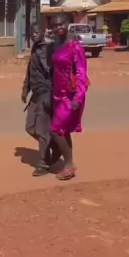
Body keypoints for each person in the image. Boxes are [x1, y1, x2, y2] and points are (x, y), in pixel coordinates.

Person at [50, 14, 89, 181]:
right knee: (62, 130)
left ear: (68, 24)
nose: (58, 28)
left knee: (55, 129)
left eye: (61, 24)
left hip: (70, 97)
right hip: (57, 95)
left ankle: (69, 164)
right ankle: (68, 163)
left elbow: (81, 74)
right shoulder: (57, 44)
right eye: (54, 25)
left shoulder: (75, 47)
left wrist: (77, 98)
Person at [21, 24, 60, 177]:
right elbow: (30, 70)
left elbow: (54, 73)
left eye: (37, 32)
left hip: (46, 94)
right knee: (30, 127)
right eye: (31, 33)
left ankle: (43, 163)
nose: (34, 35)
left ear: (43, 32)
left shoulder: (49, 48)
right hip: (35, 94)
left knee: (42, 130)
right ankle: (54, 145)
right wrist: (25, 89)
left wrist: (52, 96)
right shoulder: (36, 47)